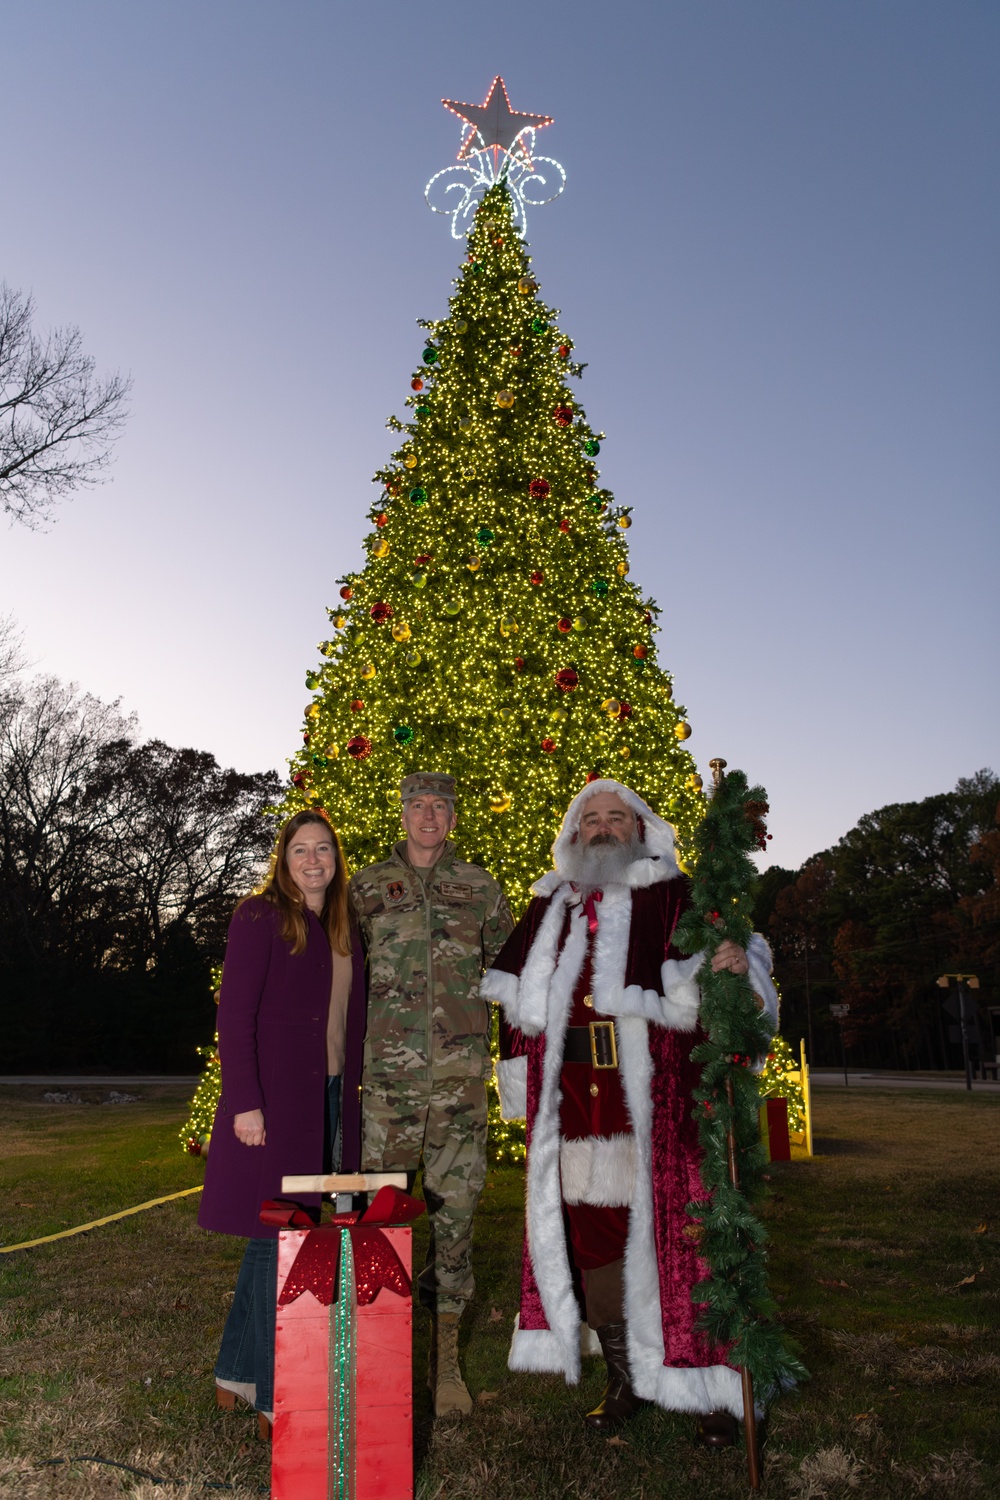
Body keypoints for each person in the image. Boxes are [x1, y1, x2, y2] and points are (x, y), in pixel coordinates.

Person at [480, 780, 778, 1445]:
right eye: (592, 819)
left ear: (642, 830)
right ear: (574, 832)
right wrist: (517, 1082)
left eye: (619, 817)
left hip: (657, 1095)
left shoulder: (678, 896)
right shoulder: (550, 904)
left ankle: (710, 1388)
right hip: (574, 1099)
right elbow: (515, 1015)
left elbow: (740, 967)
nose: (605, 828)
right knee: (593, 1238)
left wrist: (736, 970)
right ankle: (625, 1379)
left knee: (685, 1239)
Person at [350, 771, 513, 1417]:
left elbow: (511, 970)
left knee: (456, 1221)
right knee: (381, 1218)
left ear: (451, 817)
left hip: (458, 1089)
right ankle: (381, 1358)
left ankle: (446, 1366)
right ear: (402, 813)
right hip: (387, 1091)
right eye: (417, 805)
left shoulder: (477, 887)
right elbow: (340, 976)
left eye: (438, 807)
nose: (427, 816)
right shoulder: (365, 889)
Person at [198, 810, 365, 1434]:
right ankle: (273, 1389)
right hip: (276, 1101)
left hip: (331, 1097)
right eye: (302, 849)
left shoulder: (346, 926)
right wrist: (244, 1101)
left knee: (274, 1235)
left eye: (324, 849)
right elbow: (234, 1016)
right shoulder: (260, 917)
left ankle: (234, 1373)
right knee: (284, 1237)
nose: (314, 859)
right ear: (284, 857)